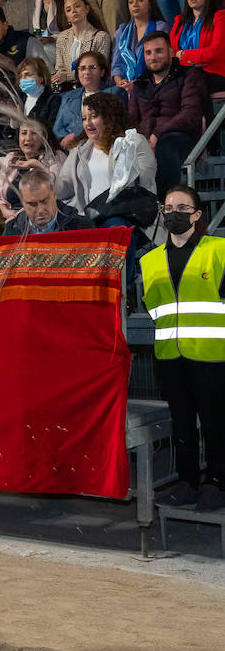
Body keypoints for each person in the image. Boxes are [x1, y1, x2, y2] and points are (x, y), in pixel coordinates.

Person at [142, 183, 225, 510]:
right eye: (169, 208)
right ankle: (187, 481)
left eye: (182, 209)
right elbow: (154, 309)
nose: (174, 214)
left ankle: (217, 483)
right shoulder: (148, 261)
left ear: (197, 214)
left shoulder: (218, 250)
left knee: (216, 422)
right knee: (182, 424)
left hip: (211, 355)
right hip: (169, 357)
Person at [130, 29, 209, 194]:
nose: (153, 57)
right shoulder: (140, 84)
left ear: (171, 52)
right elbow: (131, 120)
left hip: (180, 138)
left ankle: (164, 205)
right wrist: (140, 139)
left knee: (166, 146)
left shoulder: (189, 75)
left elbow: (190, 115)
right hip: (147, 140)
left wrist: (157, 135)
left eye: (159, 51)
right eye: (148, 53)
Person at [63, 91, 158, 223]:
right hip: (88, 217)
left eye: (94, 116)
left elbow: (145, 182)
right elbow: (63, 188)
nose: (88, 123)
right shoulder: (79, 150)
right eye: (84, 118)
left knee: (114, 224)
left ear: (109, 117)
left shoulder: (133, 141)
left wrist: (127, 155)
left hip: (124, 215)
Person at [0, 120, 70, 222]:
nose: (28, 138)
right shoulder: (11, 158)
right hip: (12, 220)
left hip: (43, 220)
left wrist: (38, 166)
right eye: (24, 133)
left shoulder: (55, 157)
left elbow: (60, 193)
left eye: (34, 133)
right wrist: (5, 211)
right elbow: (1, 197)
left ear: (44, 137)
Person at [53, 50, 126, 148]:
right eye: (82, 68)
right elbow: (57, 129)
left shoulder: (115, 93)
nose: (87, 72)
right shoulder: (67, 97)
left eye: (92, 67)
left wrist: (77, 137)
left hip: (105, 148)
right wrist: (64, 138)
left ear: (102, 72)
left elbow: (116, 126)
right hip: (71, 150)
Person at [171, 0, 225, 89]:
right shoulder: (179, 20)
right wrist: (196, 60)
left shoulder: (220, 17)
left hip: (212, 73)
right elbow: (171, 51)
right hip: (184, 72)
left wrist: (184, 55)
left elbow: (214, 52)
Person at [111, 0, 171, 88]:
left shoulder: (160, 27)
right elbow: (117, 65)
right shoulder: (121, 31)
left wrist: (138, 85)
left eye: (140, 0)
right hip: (125, 87)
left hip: (153, 84)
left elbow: (164, 62)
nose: (135, 5)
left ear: (150, 4)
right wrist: (120, 82)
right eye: (131, 2)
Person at [2, 168, 94, 235]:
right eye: (32, 204)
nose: (40, 209)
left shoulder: (80, 227)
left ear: (54, 195)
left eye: (44, 201)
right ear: (23, 203)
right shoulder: (13, 230)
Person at [52, 0, 111, 87]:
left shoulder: (101, 37)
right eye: (68, 10)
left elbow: (99, 69)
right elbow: (60, 68)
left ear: (87, 9)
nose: (73, 11)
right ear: (66, 17)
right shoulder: (62, 37)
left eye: (77, 6)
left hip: (93, 85)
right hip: (67, 87)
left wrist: (67, 76)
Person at [16, 57, 61, 139]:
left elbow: (50, 129)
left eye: (28, 74)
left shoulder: (53, 99)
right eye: (20, 76)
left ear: (41, 78)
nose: (23, 79)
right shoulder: (20, 98)